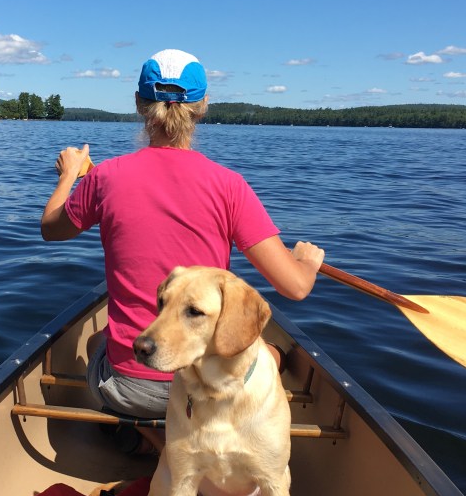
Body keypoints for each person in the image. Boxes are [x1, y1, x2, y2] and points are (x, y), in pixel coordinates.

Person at [41, 49, 324, 452]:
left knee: (94, 344)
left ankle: (154, 438)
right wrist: (307, 263)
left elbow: (50, 229)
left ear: (139, 104)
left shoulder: (104, 177)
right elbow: (295, 287)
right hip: (208, 389)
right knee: (273, 354)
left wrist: (70, 175)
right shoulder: (229, 186)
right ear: (202, 107)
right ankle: (178, 442)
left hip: (132, 390)